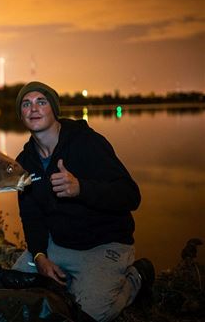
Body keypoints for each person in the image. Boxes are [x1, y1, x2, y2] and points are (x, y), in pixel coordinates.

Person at [12, 81, 155, 321]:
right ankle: (68, 283)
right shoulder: (24, 162)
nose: (33, 108)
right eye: (26, 104)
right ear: (21, 115)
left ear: (53, 109)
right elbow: (31, 216)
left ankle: (135, 278)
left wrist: (82, 189)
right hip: (57, 244)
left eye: (41, 102)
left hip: (103, 244)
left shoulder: (87, 142)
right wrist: (39, 256)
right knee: (14, 294)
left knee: (89, 314)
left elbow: (130, 195)